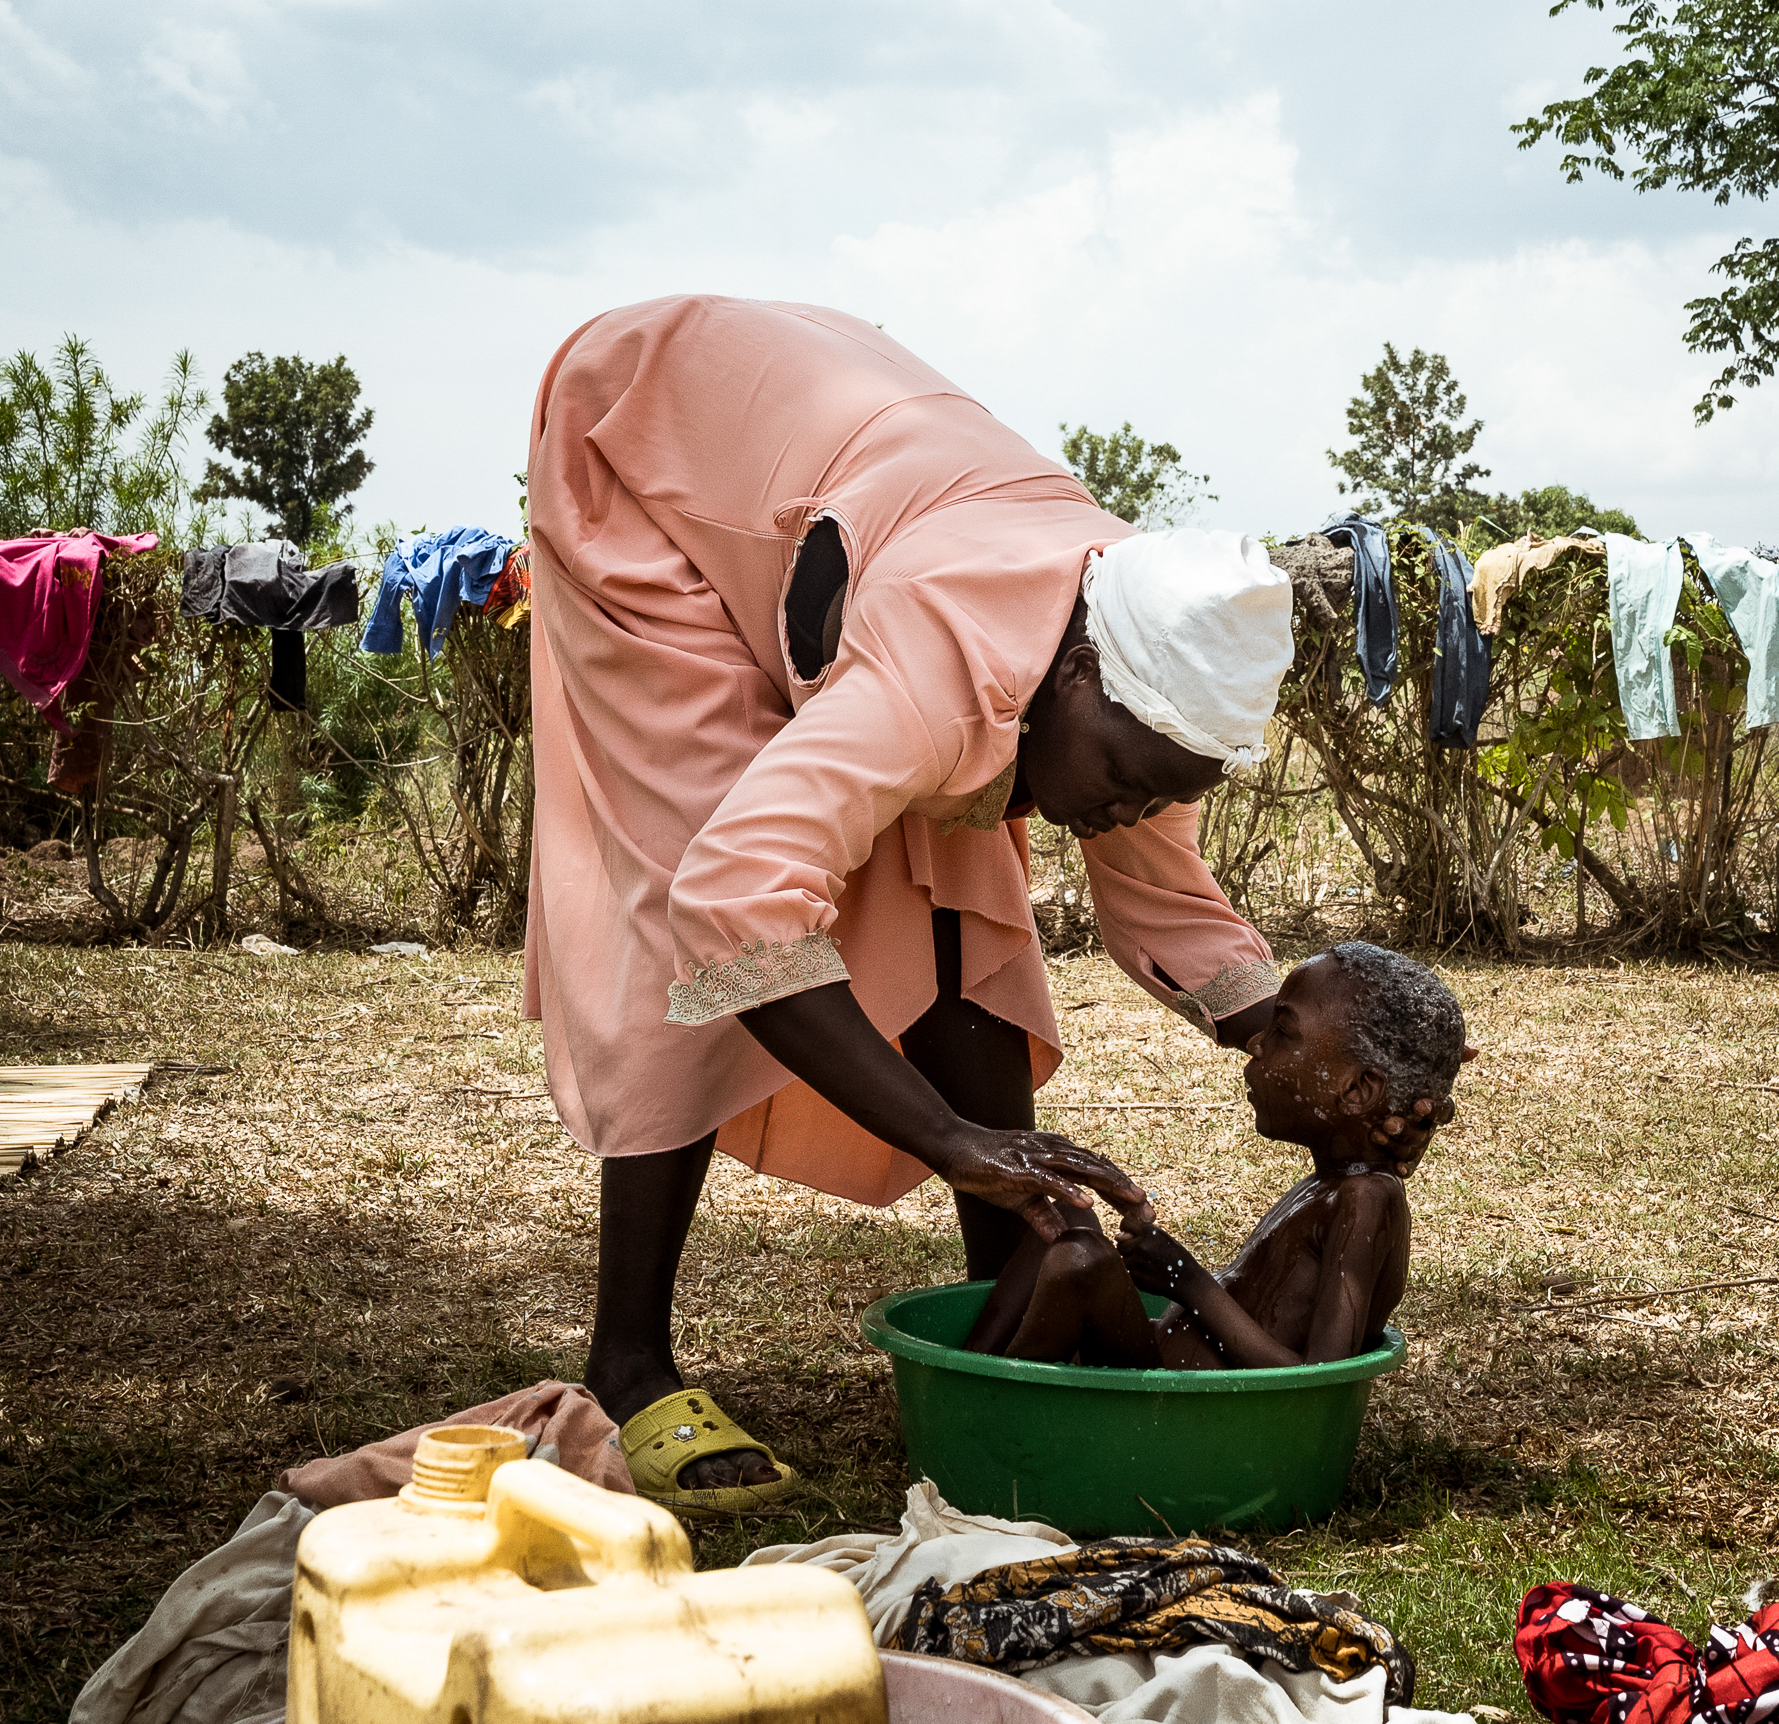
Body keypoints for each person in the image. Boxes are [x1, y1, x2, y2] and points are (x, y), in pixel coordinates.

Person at [526, 296, 1300, 1513]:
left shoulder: (1140, 666)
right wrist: (948, 1136)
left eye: (1167, 790)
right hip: (643, 454)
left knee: (957, 862)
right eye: (1126, 781)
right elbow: (735, 898)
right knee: (701, 849)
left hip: (840, 460)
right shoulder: (947, 667)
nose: (1124, 813)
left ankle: (1012, 1280)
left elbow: (1157, 884)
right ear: (1078, 672)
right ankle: (629, 1361)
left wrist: (1301, 1038)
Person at [963, 943, 1470, 1369]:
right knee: (1066, 1209)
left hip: (1190, 1411)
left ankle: (989, 1409)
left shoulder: (1366, 1199)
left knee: (1079, 1260)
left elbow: (1323, 1377)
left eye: (1282, 1031)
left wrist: (1187, 1281)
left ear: (1357, 1090)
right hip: (1160, 1369)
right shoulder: (1331, 1185)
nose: (1256, 1041)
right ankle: (968, 1373)